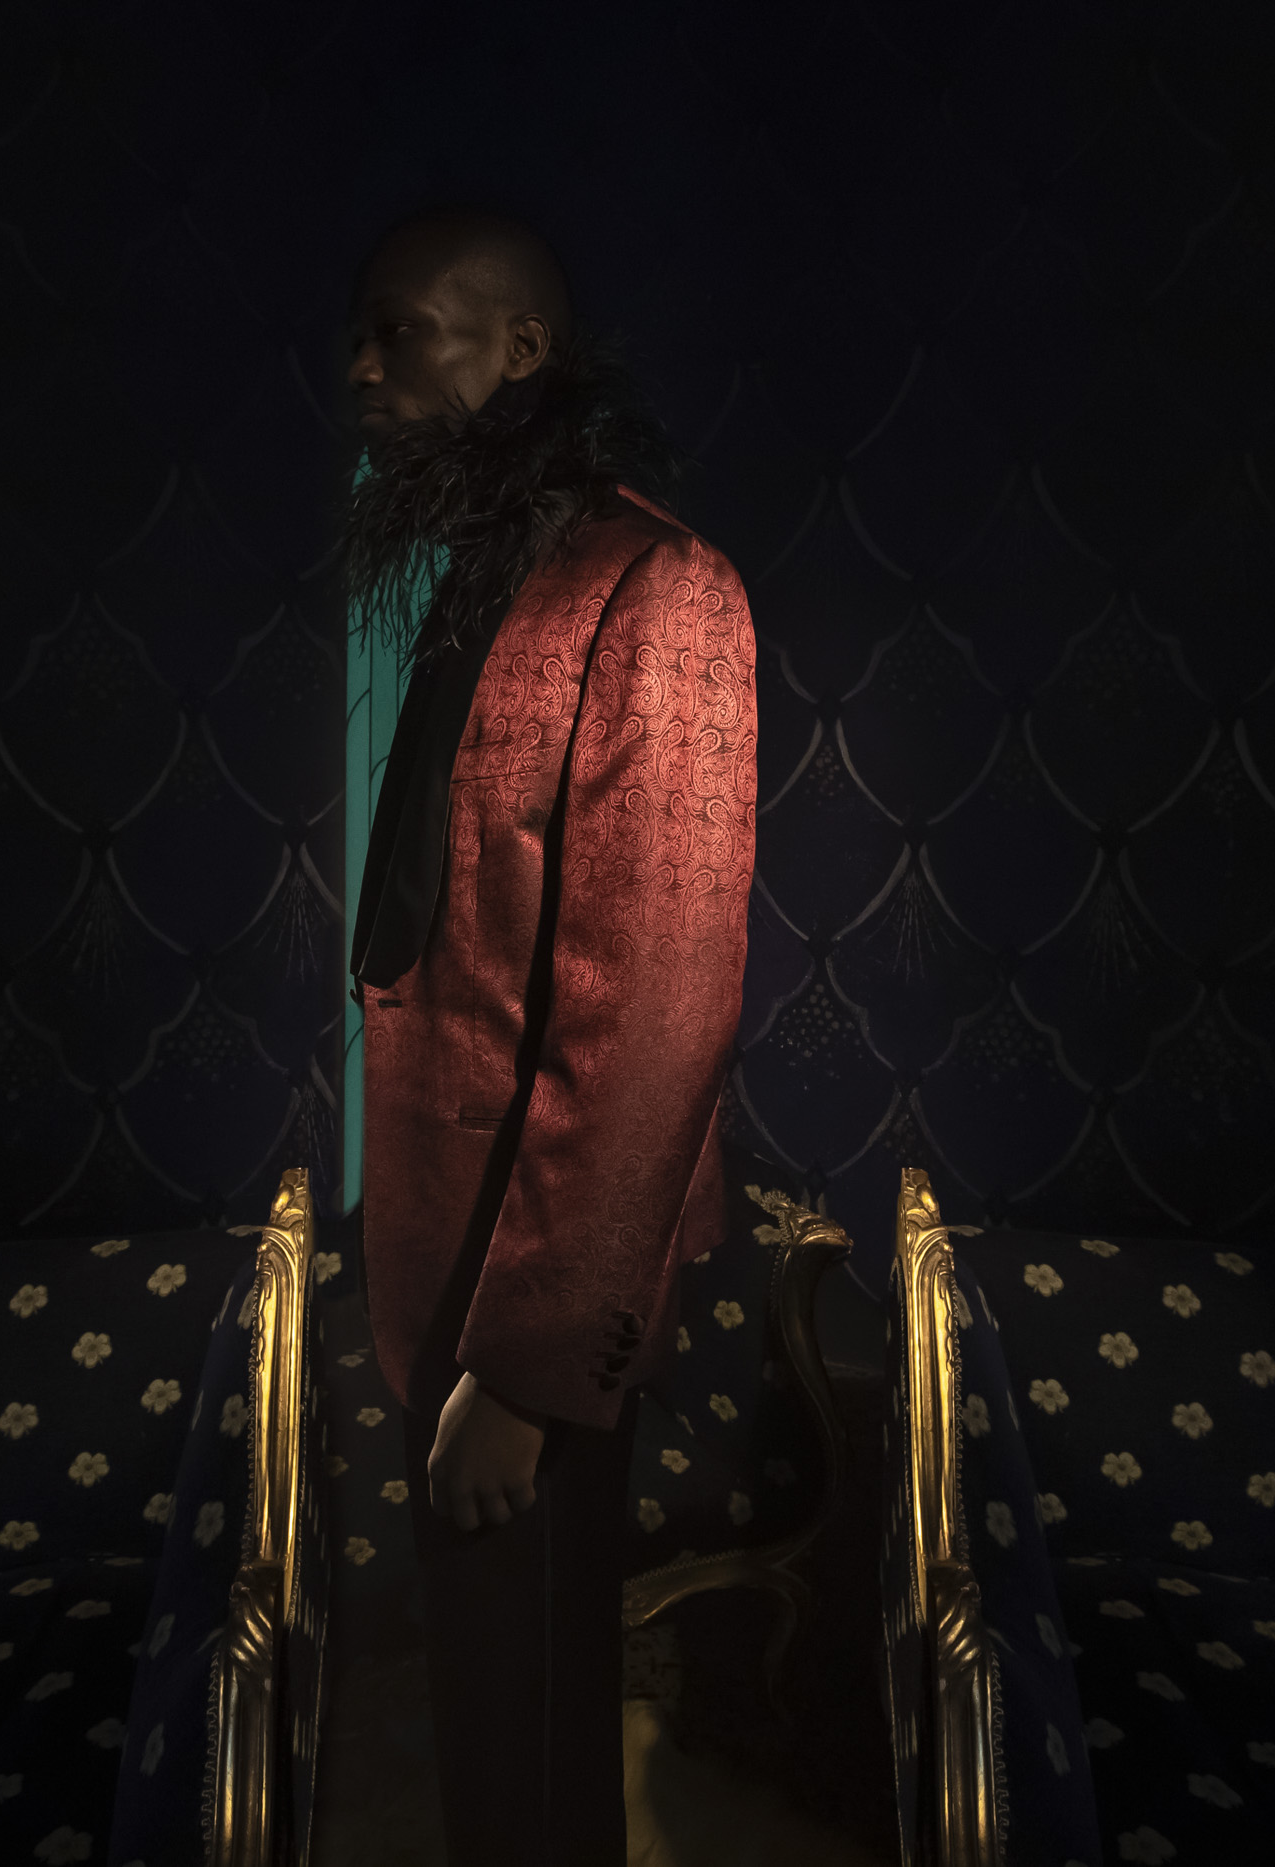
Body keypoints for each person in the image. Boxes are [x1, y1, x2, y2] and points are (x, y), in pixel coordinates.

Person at [338, 206, 755, 1867]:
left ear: (522, 351)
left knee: (524, 1731)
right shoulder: (488, 574)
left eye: (402, 330)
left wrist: (521, 1374)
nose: (361, 367)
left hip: (536, 1282)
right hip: (440, 1246)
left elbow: (657, 1015)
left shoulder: (663, 589)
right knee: (500, 1721)